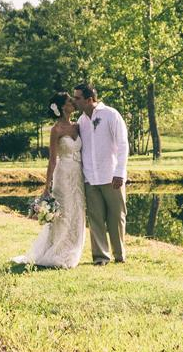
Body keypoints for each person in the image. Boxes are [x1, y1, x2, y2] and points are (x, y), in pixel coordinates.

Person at [13, 92, 86, 269]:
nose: (73, 103)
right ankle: (57, 250)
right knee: (65, 212)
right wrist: (47, 187)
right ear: (62, 107)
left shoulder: (78, 126)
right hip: (62, 174)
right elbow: (52, 160)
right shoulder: (56, 130)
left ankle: (73, 247)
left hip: (78, 175)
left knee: (77, 211)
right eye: (70, 101)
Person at [74, 83, 128, 264]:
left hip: (111, 176)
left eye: (78, 98)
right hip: (90, 177)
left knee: (116, 217)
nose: (75, 101)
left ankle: (119, 255)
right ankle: (100, 257)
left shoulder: (111, 114)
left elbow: (123, 144)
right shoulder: (81, 121)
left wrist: (120, 172)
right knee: (96, 219)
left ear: (89, 100)